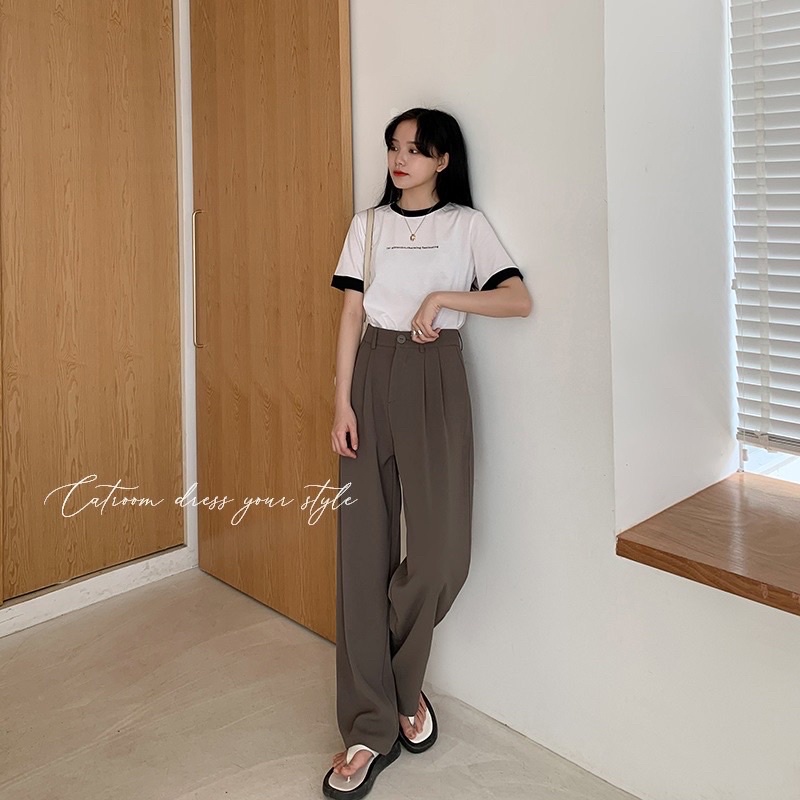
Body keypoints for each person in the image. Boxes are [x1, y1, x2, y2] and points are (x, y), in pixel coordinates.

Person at [322, 107, 532, 799]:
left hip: (435, 371)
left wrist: (444, 297)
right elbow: (350, 313)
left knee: (442, 556)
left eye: (415, 149)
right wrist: (341, 403)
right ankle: (368, 726)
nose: (400, 159)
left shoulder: (467, 225)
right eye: (394, 147)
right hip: (370, 374)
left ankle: (398, 681)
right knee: (362, 552)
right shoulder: (368, 225)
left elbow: (518, 300)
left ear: (443, 159)